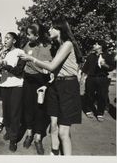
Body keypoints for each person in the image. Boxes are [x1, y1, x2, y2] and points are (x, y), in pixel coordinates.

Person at [19, 17, 83, 155]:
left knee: (63, 132)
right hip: (56, 85)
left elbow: (52, 66)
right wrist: (47, 85)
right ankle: (54, 153)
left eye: (52, 27)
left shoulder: (67, 44)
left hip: (68, 86)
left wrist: (32, 59)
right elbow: (54, 71)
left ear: (59, 29)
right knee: (53, 126)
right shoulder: (57, 46)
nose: (49, 30)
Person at [20, 23, 52, 155]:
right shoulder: (27, 45)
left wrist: (32, 60)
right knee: (28, 108)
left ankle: (38, 138)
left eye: (29, 34)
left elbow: (48, 67)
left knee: (40, 109)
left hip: (41, 81)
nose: (27, 36)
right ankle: (29, 133)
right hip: (28, 81)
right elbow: (22, 63)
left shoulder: (47, 48)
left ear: (37, 35)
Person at [0, 32, 26, 152]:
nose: (5, 40)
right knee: (7, 112)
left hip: (16, 86)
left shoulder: (20, 52)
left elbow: (19, 71)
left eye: (8, 38)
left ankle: (13, 139)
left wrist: (6, 66)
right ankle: (9, 131)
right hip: (4, 85)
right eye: (5, 38)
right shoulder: (3, 53)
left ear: (14, 41)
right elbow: (0, 69)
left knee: (15, 113)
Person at [81, 40, 116, 121]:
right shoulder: (90, 56)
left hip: (102, 79)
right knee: (89, 95)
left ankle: (100, 113)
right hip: (91, 78)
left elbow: (111, 68)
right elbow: (85, 68)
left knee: (102, 96)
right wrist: (82, 78)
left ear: (100, 47)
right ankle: (88, 110)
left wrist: (105, 65)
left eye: (96, 44)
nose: (94, 45)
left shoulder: (107, 56)